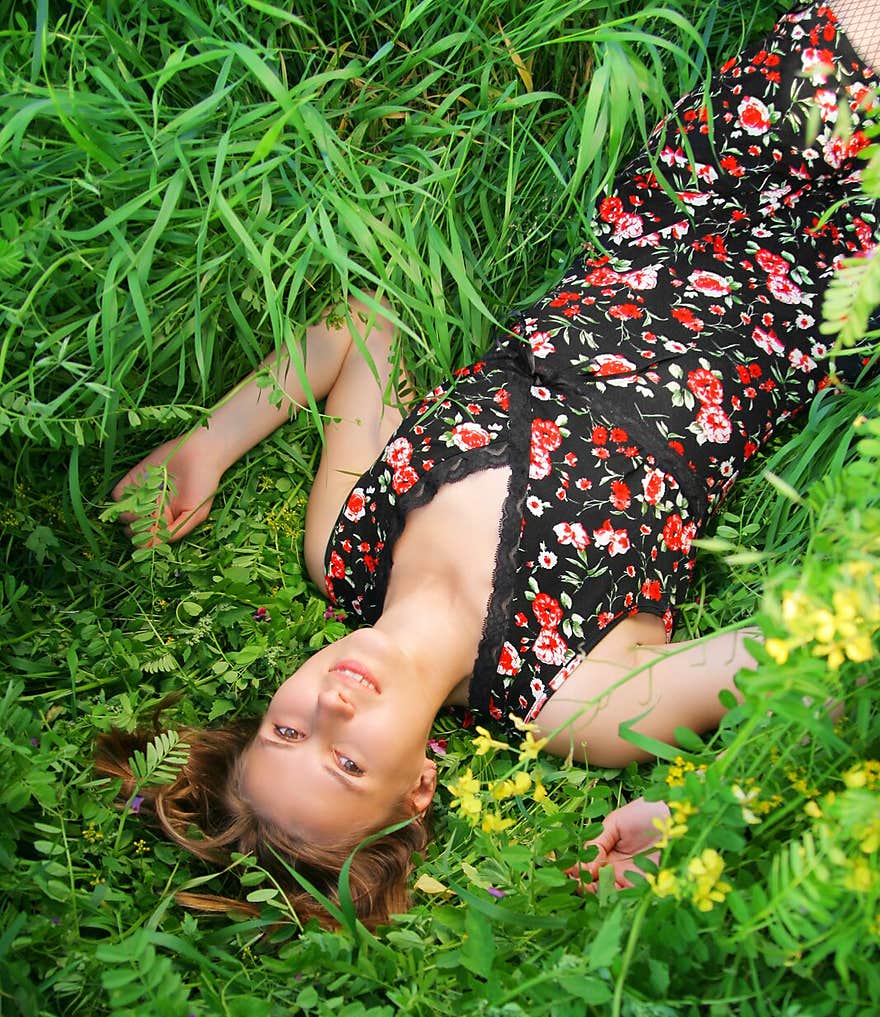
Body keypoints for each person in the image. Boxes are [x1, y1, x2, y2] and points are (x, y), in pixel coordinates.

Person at [98, 2, 879, 929]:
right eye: (348, 763)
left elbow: (366, 326)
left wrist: (210, 443)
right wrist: (708, 816)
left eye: (288, 729)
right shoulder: (571, 701)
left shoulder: (345, 551)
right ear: (419, 786)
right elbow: (820, 650)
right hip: (815, 295)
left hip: (673, 212)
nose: (334, 709)